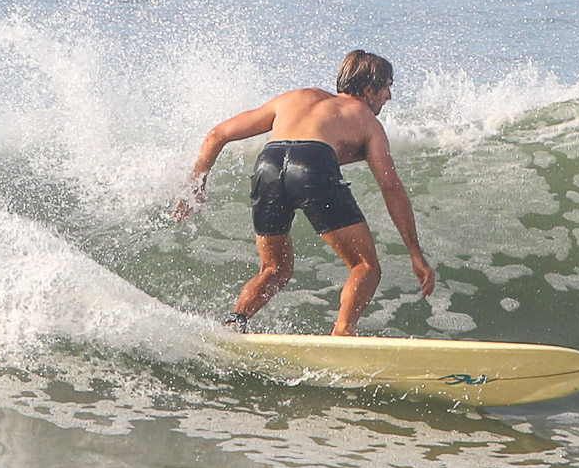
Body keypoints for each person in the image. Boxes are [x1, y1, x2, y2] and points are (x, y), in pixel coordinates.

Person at [176, 50, 435, 336]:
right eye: (387, 86)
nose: (389, 96)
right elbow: (390, 185)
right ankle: (343, 333)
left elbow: (217, 134)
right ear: (369, 89)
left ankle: (235, 323)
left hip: (268, 165)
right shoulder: (364, 118)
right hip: (313, 165)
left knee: (273, 268)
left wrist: (195, 186)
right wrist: (415, 254)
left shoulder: (295, 97)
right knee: (365, 266)